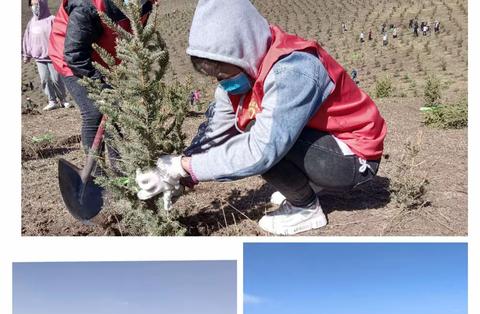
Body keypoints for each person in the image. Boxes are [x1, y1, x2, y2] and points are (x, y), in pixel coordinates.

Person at [135, 0, 387, 235]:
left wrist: (184, 166)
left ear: (243, 51)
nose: (220, 82)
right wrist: (175, 174)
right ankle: (308, 182)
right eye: (214, 75)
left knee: (255, 132)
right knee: (250, 126)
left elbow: (262, 149)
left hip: (354, 157)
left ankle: (306, 207)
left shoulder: (293, 71)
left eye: (222, 72)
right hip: (323, 142)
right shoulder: (242, 73)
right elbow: (216, 133)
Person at [48, 0, 155, 158]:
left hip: (106, 58)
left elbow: (138, 34)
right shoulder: (85, 5)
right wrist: (101, 85)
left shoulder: (147, 3)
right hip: (72, 58)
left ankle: (118, 171)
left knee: (114, 112)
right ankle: (95, 174)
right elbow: (74, 55)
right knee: (94, 112)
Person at [22, 0, 69, 111]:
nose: (34, 7)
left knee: (56, 79)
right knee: (44, 79)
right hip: (39, 58)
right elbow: (27, 39)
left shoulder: (52, 20)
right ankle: (52, 101)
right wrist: (26, 55)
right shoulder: (31, 22)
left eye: (36, 4)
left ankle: (63, 100)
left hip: (52, 56)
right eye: (32, 5)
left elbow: (60, 36)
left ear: (42, 4)